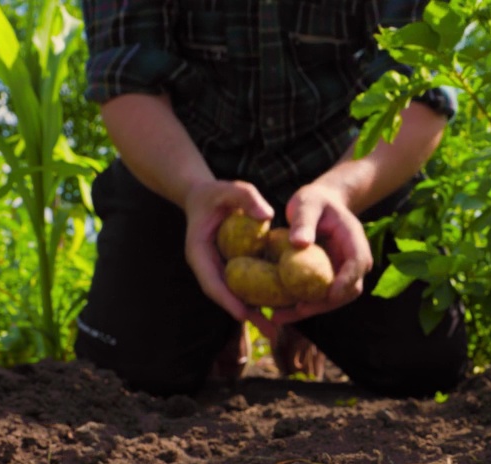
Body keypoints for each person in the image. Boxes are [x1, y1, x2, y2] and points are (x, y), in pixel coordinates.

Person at [73, 0, 469, 398]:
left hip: (344, 166)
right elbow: (128, 80)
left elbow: (420, 90)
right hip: (186, 171)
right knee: (123, 374)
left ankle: (301, 323)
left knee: (423, 367)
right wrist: (194, 191)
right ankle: (217, 323)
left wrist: (342, 191)